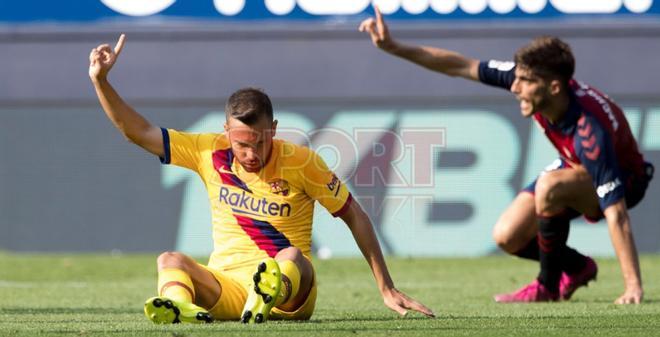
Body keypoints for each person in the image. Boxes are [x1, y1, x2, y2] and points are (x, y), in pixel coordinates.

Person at [88, 34, 434, 323]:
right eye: (242, 144)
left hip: (290, 294)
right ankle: (183, 309)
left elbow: (354, 215)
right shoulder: (207, 151)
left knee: (293, 256)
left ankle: (265, 297)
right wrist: (101, 81)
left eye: (260, 142)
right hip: (228, 287)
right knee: (169, 260)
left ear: (274, 130)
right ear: (226, 132)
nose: (251, 153)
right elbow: (139, 132)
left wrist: (386, 287)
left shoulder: (301, 162)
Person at [359, 7, 653, 304]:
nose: (514, 87)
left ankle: (546, 287)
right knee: (507, 235)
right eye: (516, 78)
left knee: (551, 186)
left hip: (625, 179)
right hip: (574, 163)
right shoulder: (534, 81)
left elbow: (617, 214)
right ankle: (576, 267)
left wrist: (633, 287)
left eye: (524, 82)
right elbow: (460, 66)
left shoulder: (590, 131)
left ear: (553, 87)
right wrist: (394, 47)